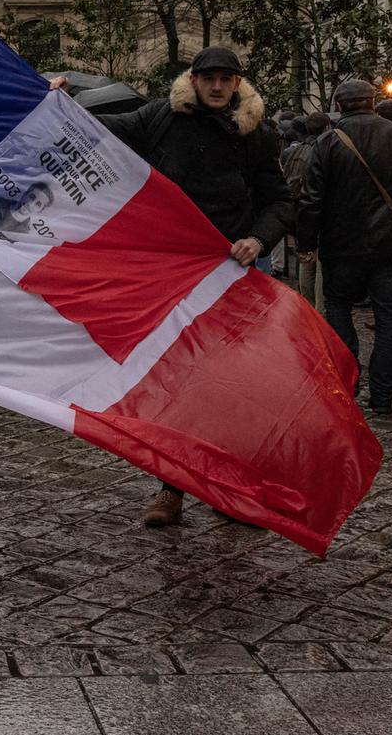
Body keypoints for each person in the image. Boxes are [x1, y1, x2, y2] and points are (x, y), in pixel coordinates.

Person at [97, 47, 293, 526]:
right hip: (175, 271)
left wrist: (258, 237)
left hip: (234, 271)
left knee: (237, 383)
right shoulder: (161, 117)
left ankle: (234, 487)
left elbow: (281, 203)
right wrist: (55, 103)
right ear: (194, 79)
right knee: (180, 380)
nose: (218, 86)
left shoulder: (256, 134)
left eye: (227, 79)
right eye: (210, 78)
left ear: (237, 84)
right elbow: (104, 131)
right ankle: (173, 487)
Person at [296, 80, 392, 417]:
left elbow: (310, 199)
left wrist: (306, 243)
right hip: (388, 244)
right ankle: (383, 395)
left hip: (340, 245)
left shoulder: (327, 143)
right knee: (388, 317)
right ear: (372, 102)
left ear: (340, 105)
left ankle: (347, 381)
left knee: (338, 309)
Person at [281, 113, 332, 310]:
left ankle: (307, 306)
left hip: (298, 209)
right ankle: (320, 310)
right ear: (326, 127)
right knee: (320, 261)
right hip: (319, 209)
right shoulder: (324, 149)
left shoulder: (292, 152)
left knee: (305, 259)